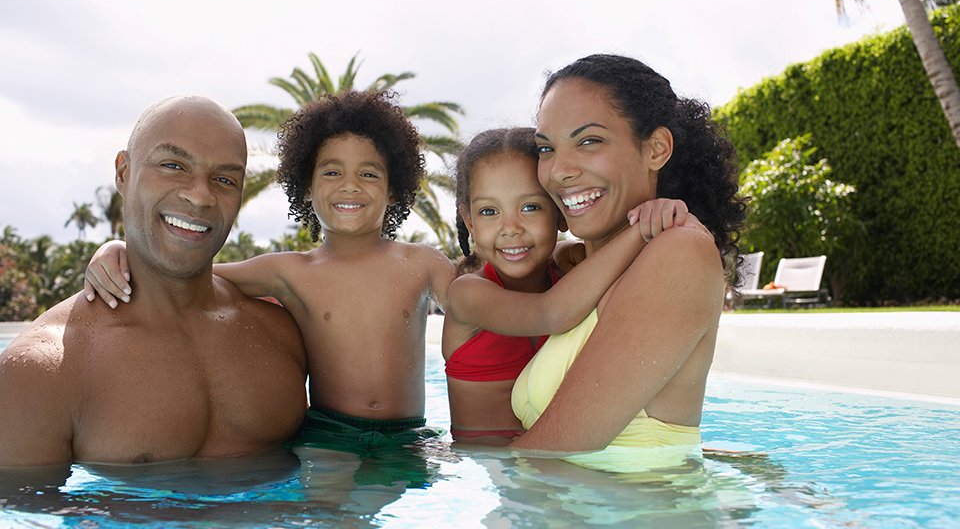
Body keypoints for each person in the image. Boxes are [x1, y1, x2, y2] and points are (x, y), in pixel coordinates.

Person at [83, 89, 455, 453]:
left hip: (409, 435)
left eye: (370, 175)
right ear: (306, 188)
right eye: (331, 172)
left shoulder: (421, 263)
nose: (350, 185)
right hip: (330, 435)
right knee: (330, 512)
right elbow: (196, 274)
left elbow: (477, 300)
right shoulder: (291, 271)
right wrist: (118, 251)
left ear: (394, 190)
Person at [0, 96, 308, 467]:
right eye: (173, 165)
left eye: (224, 179)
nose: (200, 195)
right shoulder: (42, 371)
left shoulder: (281, 332)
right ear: (123, 173)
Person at [509, 54, 746, 472]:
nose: (559, 171)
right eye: (546, 148)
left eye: (588, 141)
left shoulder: (680, 253)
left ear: (656, 149)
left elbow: (555, 447)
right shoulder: (578, 271)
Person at [443, 127, 699, 444]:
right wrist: (640, 230)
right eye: (489, 212)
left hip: (548, 461)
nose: (510, 229)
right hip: (482, 468)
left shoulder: (569, 271)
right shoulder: (467, 294)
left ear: (560, 214)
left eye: (530, 207)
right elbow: (551, 313)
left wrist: (659, 212)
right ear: (470, 221)